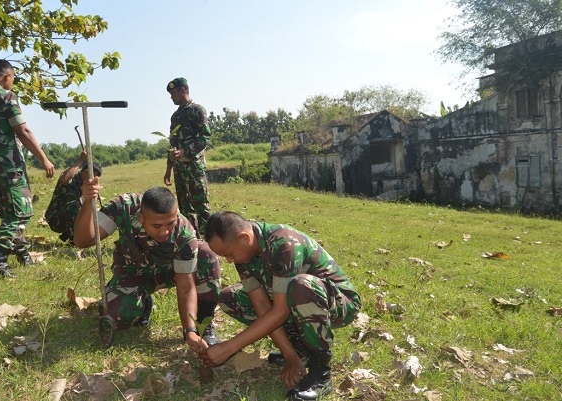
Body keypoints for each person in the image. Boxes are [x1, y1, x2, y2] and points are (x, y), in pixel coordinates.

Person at [198, 212, 362, 401]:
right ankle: (299, 349)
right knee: (230, 297)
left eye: (228, 254)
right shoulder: (244, 251)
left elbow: (280, 311)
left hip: (338, 303)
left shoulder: (284, 244)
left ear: (244, 238)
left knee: (301, 287)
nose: (229, 260)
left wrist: (228, 348)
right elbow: (261, 304)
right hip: (294, 302)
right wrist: (289, 354)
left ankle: (321, 374)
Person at [74, 182, 221, 349]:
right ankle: (143, 302)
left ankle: (202, 324)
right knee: (115, 317)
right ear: (142, 218)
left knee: (207, 254)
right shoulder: (123, 207)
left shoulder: (184, 233)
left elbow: (186, 288)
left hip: (169, 272)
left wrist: (189, 331)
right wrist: (87, 203)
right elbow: (83, 240)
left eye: (170, 224)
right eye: (157, 226)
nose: (165, 232)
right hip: (133, 273)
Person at [0, 59, 54, 278]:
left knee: (8, 211)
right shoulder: (6, 96)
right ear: (7, 76)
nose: (12, 82)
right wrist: (44, 159)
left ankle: (22, 254)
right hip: (9, 164)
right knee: (21, 212)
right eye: (13, 78)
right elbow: (23, 131)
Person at [163, 77, 212, 236]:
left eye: (173, 93)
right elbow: (173, 144)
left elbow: (204, 137)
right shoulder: (175, 116)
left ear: (183, 89)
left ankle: (211, 240)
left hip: (193, 168)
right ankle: (193, 240)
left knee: (201, 206)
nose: (171, 97)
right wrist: (168, 169)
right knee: (184, 208)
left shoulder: (197, 110)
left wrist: (185, 152)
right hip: (179, 170)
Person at [44, 151, 102, 244]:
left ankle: (79, 237)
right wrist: (81, 160)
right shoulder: (72, 177)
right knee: (77, 205)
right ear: (86, 172)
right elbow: (65, 178)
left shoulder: (86, 185)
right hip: (56, 218)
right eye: (92, 176)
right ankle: (72, 237)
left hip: (69, 220)